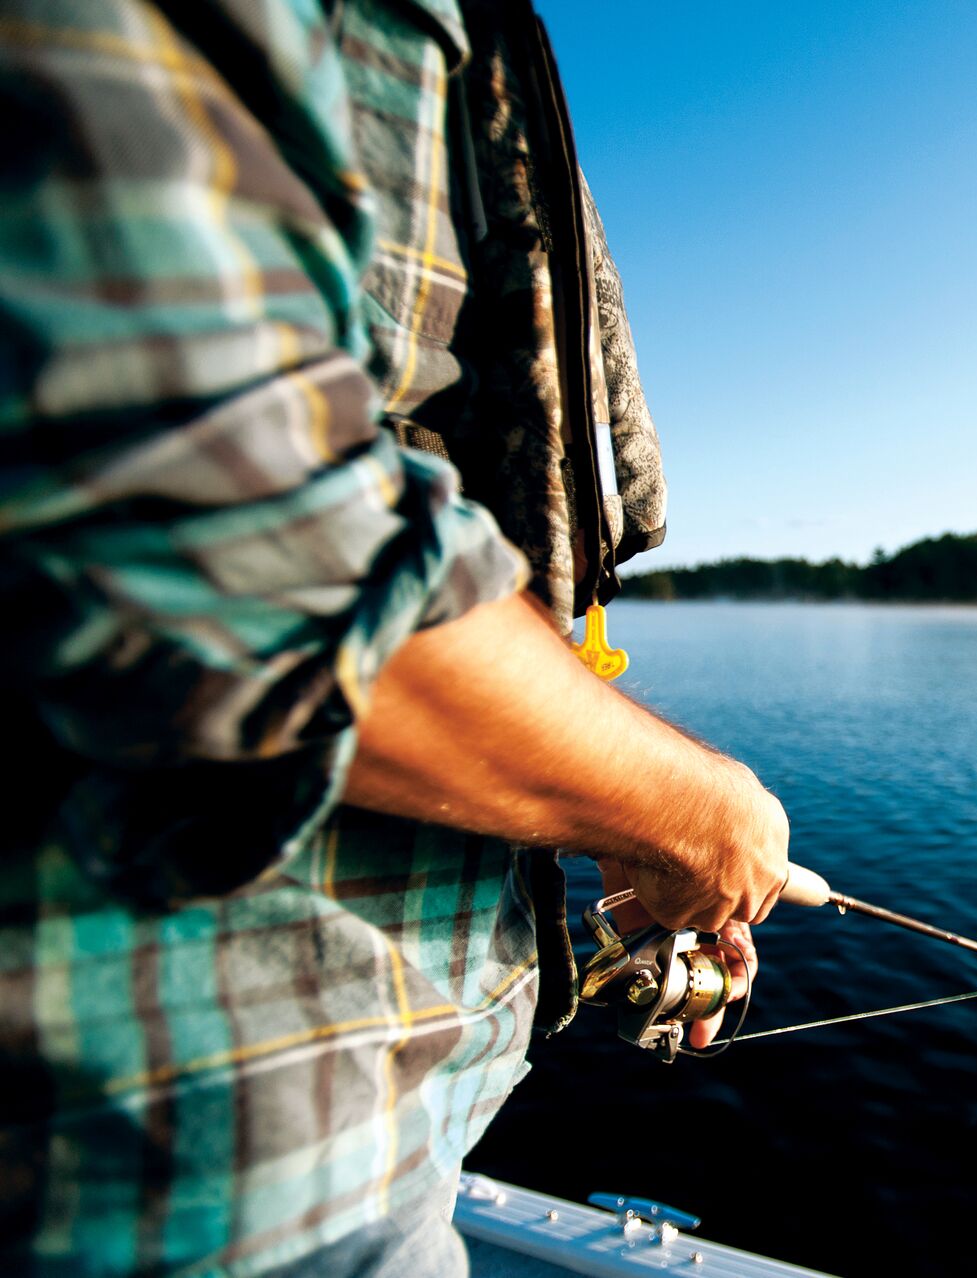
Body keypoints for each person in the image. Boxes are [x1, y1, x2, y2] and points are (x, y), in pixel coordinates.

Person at [0, 1, 787, 1273]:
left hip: (394, 1129)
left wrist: (579, 814)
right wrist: (686, 811)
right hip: (188, 1182)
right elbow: (211, 526)